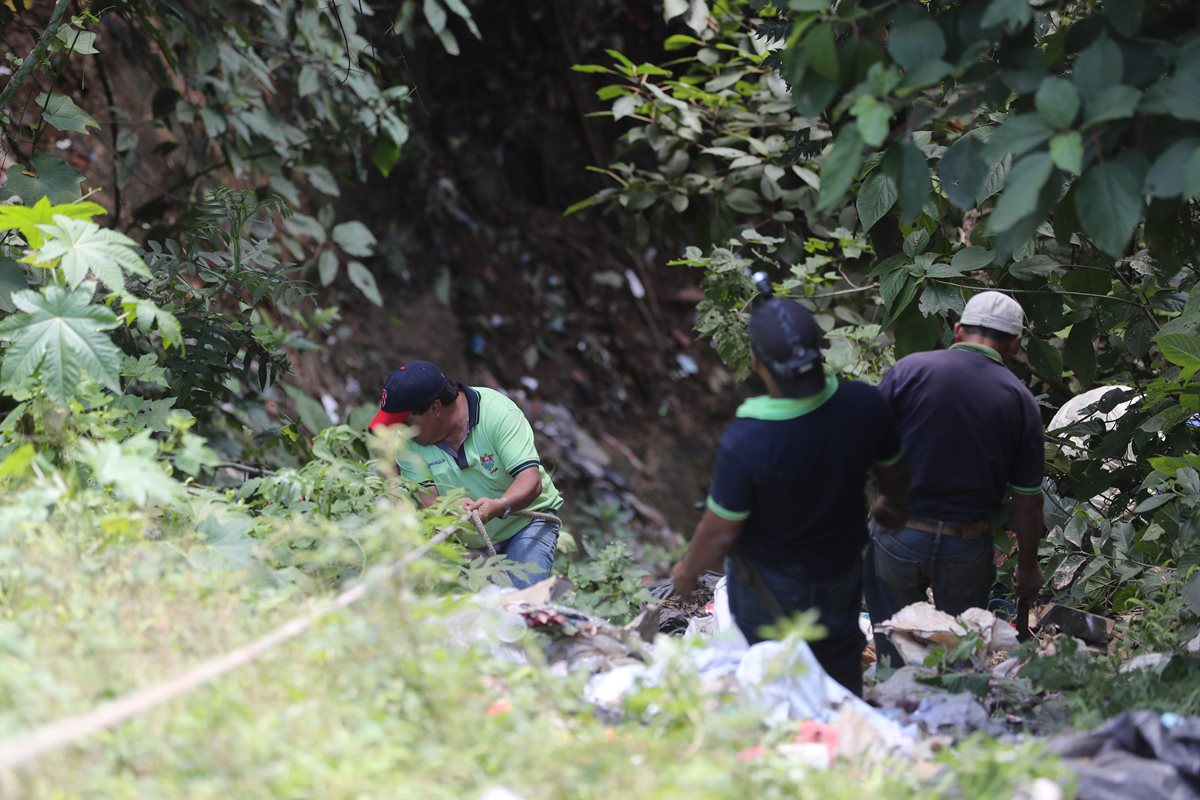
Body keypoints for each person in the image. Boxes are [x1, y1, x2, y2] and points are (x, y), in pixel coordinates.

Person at [670, 297, 909, 697]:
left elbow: (721, 533)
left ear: (758, 363)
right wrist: (892, 505)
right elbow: (896, 473)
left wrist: (686, 572)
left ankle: (785, 745)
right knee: (839, 660)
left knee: (773, 675)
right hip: (840, 573)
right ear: (822, 348)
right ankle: (843, 735)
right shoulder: (863, 406)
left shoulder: (747, 441)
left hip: (768, 588)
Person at [864, 291, 1046, 666]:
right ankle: (958, 715)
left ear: (957, 330)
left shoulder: (909, 370)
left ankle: (895, 705)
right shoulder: (1020, 399)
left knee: (894, 653)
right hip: (964, 546)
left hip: (897, 533)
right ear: (1014, 343)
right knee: (960, 659)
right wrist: (1028, 566)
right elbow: (1028, 500)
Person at [373, 360, 564, 588]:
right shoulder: (406, 442)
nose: (399, 431)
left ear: (434, 408)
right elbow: (428, 499)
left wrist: (499, 505)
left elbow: (530, 482)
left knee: (520, 604)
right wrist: (450, 506)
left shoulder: (497, 413)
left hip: (526, 524)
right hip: (469, 541)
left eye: (406, 422)